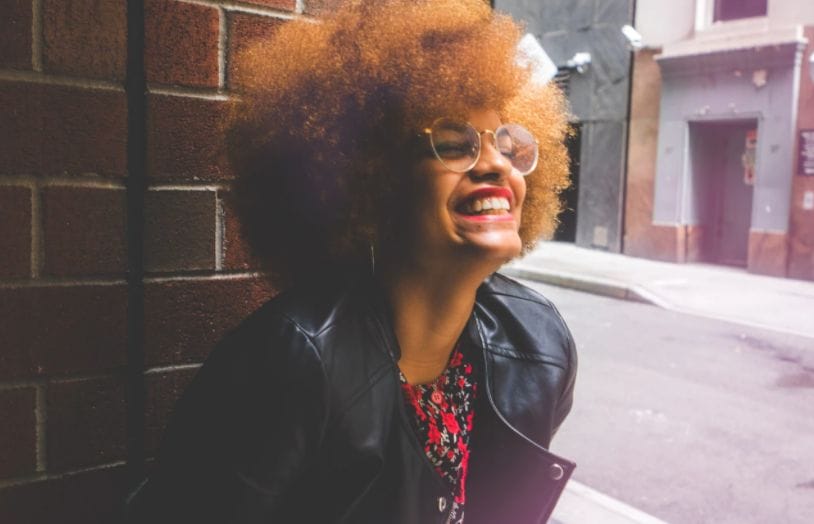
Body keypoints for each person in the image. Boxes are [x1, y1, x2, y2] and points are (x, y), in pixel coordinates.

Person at [127, 0, 576, 522]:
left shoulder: (540, 346)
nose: (496, 165)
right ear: (373, 180)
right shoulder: (289, 363)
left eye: (507, 145)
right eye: (455, 145)